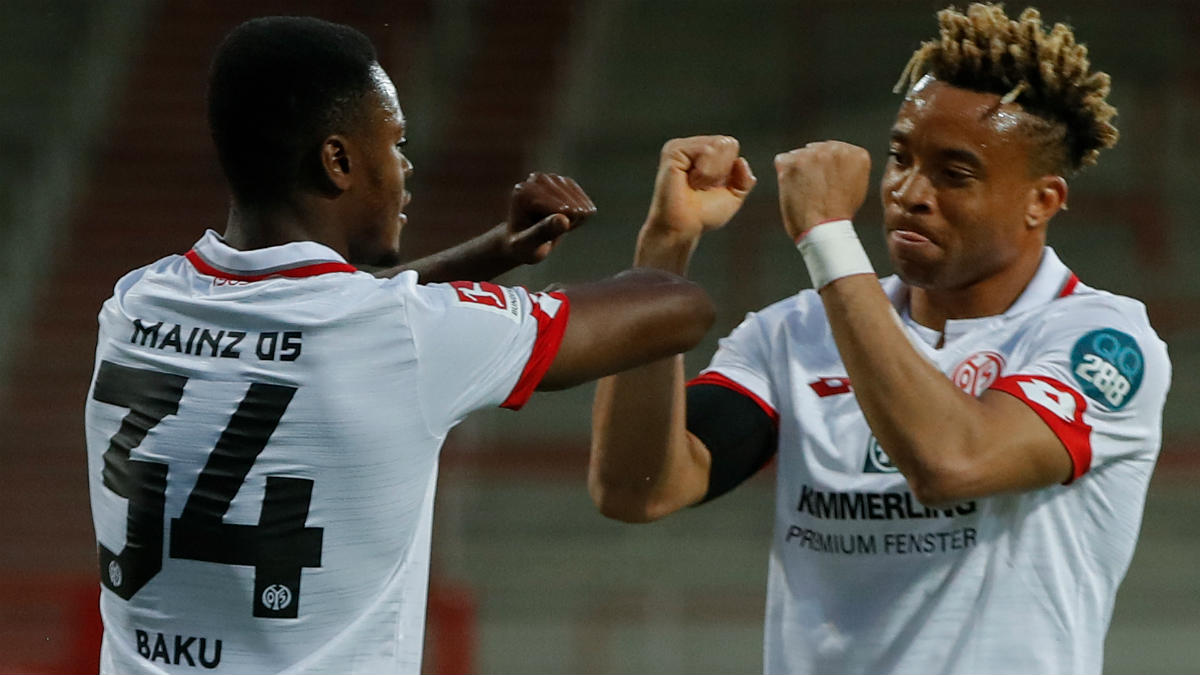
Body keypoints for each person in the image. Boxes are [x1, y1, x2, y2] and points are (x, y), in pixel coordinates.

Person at [84, 16, 715, 675]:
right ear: (339, 160)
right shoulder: (404, 334)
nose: (406, 167)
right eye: (395, 142)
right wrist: (673, 228)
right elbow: (681, 310)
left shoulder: (134, 303)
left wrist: (495, 253)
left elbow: (334, 310)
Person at [590, 4, 1170, 674]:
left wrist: (827, 237)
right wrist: (662, 254)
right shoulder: (797, 333)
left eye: (954, 173)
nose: (907, 192)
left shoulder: (1100, 340)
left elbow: (952, 462)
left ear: (1041, 201)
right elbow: (639, 487)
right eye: (900, 158)